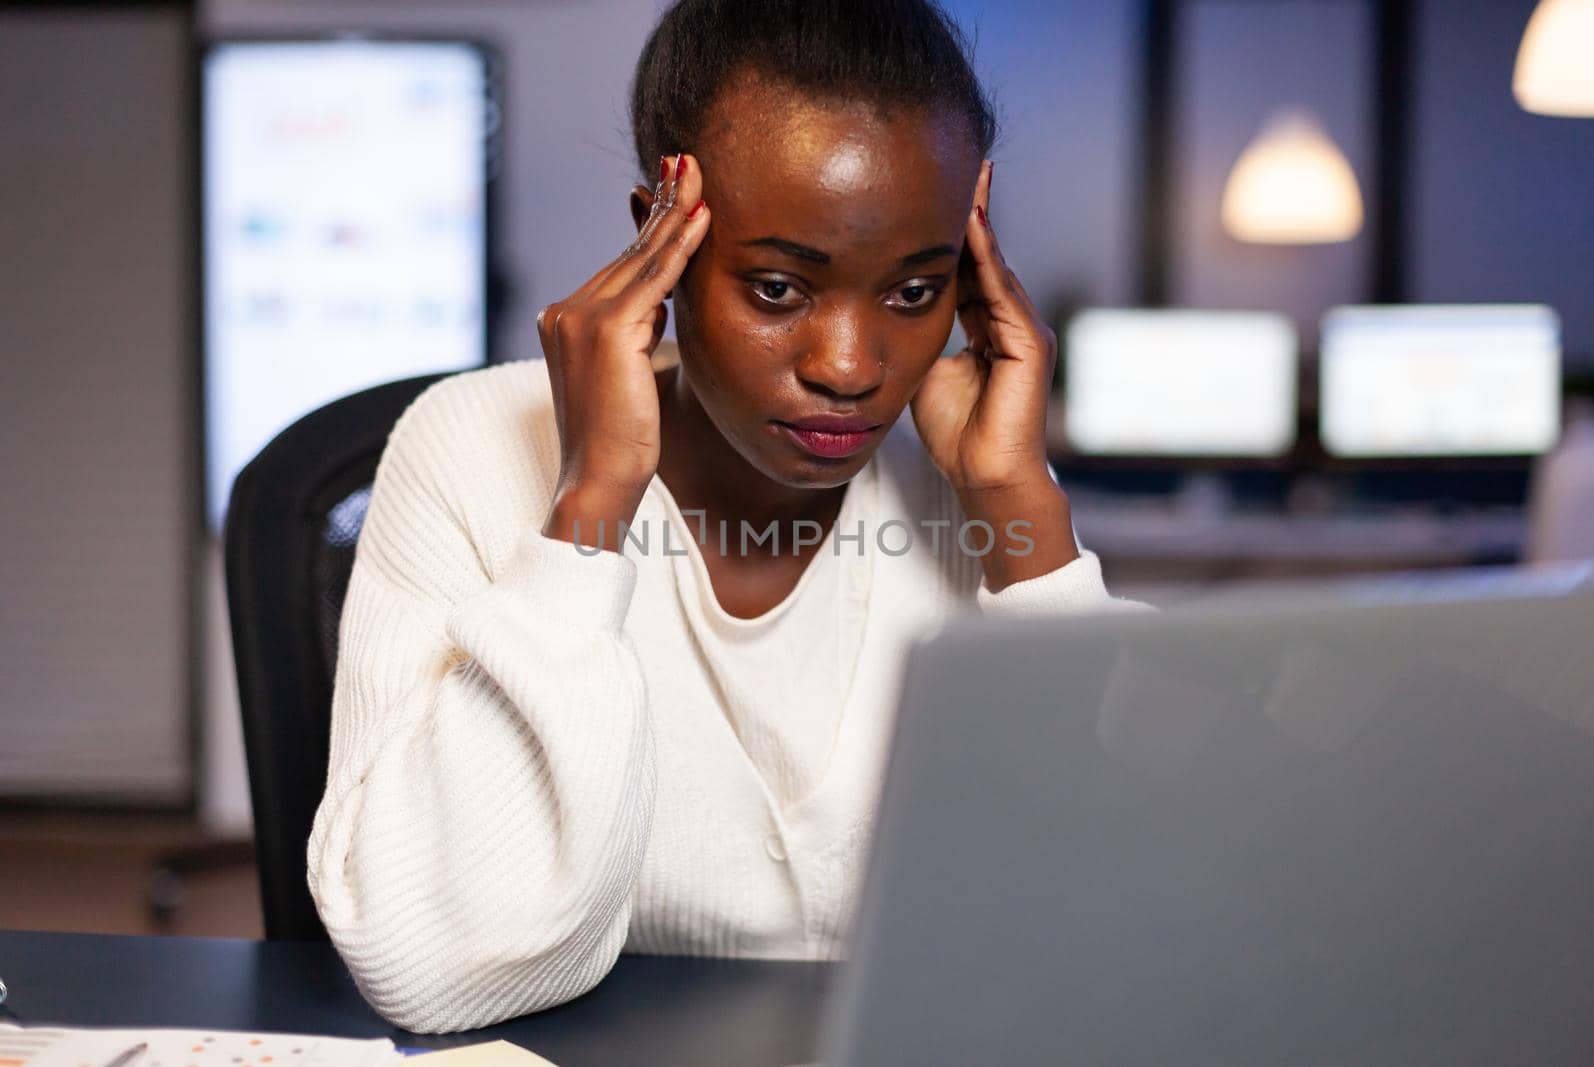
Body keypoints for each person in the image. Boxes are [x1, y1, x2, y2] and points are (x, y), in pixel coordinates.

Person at [307, 0, 1147, 1034]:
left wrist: (1021, 511)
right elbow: (431, 967)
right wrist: (592, 504)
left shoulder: (970, 472)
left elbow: (1125, 920)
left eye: (915, 288)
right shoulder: (473, 446)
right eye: (779, 286)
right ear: (661, 240)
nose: (848, 366)